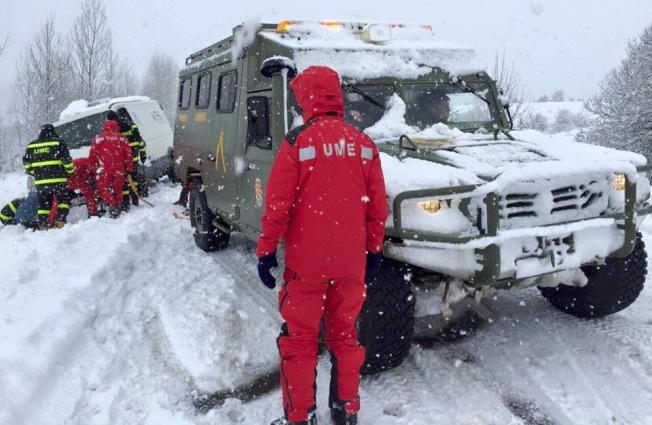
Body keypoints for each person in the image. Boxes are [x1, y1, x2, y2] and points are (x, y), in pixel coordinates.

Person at [257, 66, 388, 425]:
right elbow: (378, 207)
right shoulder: (363, 144)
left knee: (299, 342)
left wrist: (266, 249)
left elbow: (277, 205)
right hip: (350, 265)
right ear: (336, 97)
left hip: (307, 266)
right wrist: (373, 250)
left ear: (306, 98)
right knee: (345, 336)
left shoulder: (297, 142)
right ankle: (346, 411)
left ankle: (301, 416)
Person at [22, 124, 75, 229]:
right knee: (63, 201)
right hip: (59, 179)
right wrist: (70, 171)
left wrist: (35, 173)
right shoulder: (58, 142)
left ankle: (43, 224)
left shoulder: (32, 145)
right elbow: (67, 160)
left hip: (41, 182)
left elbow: (26, 164)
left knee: (43, 206)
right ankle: (60, 221)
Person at [88, 119, 133, 218]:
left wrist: (91, 170)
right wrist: (129, 169)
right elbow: (128, 155)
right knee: (118, 189)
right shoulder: (122, 139)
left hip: (104, 169)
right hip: (119, 169)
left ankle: (113, 205)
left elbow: (92, 156)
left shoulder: (98, 139)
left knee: (103, 188)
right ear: (116, 127)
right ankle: (118, 206)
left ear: (104, 127)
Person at [116, 107, 147, 208]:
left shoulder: (117, 128)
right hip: (133, 158)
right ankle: (135, 200)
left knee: (124, 181)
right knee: (134, 179)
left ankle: (125, 203)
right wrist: (143, 155)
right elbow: (140, 142)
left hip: (122, 160)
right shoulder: (132, 126)